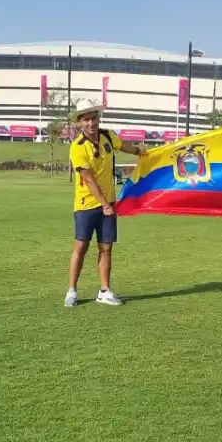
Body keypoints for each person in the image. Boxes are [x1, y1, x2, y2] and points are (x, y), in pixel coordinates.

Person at [65, 98, 144, 307]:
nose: (91, 123)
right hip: (87, 204)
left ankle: (104, 290)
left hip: (108, 203)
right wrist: (105, 205)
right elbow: (88, 179)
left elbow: (124, 145)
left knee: (106, 247)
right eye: (86, 120)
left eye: (94, 118)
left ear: (98, 118)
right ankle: (72, 290)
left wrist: (139, 152)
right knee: (81, 246)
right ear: (80, 123)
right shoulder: (77, 147)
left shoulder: (108, 136)